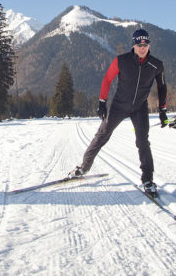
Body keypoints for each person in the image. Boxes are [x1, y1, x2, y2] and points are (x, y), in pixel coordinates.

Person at [69, 29, 168, 197]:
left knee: (143, 141)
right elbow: (107, 79)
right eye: (139, 45)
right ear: (134, 45)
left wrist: (162, 110)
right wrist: (102, 102)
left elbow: (162, 87)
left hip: (140, 108)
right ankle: (83, 167)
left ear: (149, 45)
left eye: (145, 45)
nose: (142, 48)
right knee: (102, 135)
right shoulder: (121, 61)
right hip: (118, 106)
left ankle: (148, 179)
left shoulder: (156, 65)